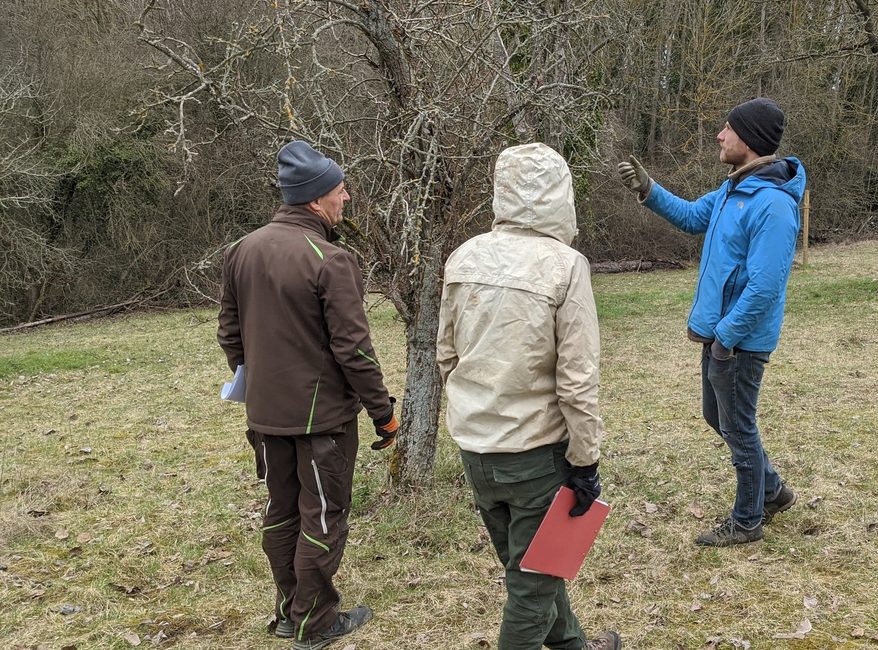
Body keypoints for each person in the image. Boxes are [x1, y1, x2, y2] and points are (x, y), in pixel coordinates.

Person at [436, 142, 620, 650]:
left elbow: (445, 355)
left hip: (476, 450)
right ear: (562, 195)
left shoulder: (464, 256)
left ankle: (571, 645)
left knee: (534, 570)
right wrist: (585, 461)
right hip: (536, 455)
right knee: (531, 584)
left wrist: (474, 413)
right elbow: (578, 379)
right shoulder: (564, 265)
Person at [218, 140, 399, 649]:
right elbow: (355, 351)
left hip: (265, 417)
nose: (346, 199)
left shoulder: (242, 250)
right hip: (323, 424)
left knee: (282, 512)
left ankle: (288, 613)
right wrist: (383, 414)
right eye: (341, 192)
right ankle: (313, 623)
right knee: (322, 517)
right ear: (317, 199)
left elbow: (230, 335)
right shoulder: (331, 259)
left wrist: (259, 382)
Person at [617, 97, 806, 547]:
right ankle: (773, 491)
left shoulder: (774, 206)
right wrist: (649, 189)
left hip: (738, 340)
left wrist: (725, 339)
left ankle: (747, 521)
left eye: (727, 129)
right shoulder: (732, 191)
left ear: (751, 139)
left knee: (739, 428)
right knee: (716, 415)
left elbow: (765, 287)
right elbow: (690, 217)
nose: (720, 136)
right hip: (721, 335)